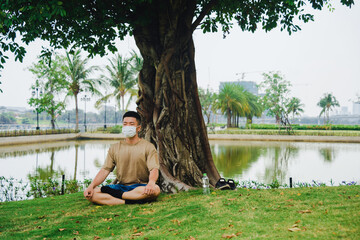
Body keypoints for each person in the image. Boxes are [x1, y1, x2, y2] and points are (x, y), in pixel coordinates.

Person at [83, 111, 161, 205]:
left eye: (131, 124)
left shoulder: (148, 147)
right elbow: (105, 170)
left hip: (141, 186)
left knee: (156, 190)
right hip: (121, 186)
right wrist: (91, 186)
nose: (128, 126)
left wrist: (151, 183)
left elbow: (154, 169)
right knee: (92, 194)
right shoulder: (115, 148)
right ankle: (128, 201)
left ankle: (118, 196)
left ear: (138, 128)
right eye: (125, 124)